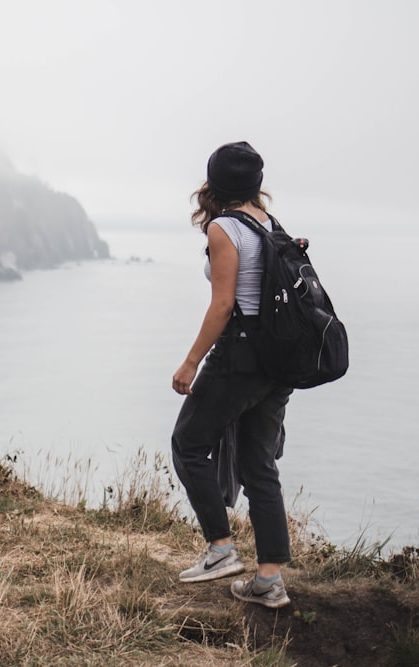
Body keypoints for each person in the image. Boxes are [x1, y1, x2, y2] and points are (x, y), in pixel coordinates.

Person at [171, 141, 293, 609]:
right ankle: (269, 580)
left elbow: (224, 305)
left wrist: (191, 362)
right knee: (258, 464)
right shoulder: (270, 224)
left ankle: (221, 549)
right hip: (276, 363)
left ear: (214, 182)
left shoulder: (225, 228)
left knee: (189, 444)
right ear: (256, 184)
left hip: (238, 358)